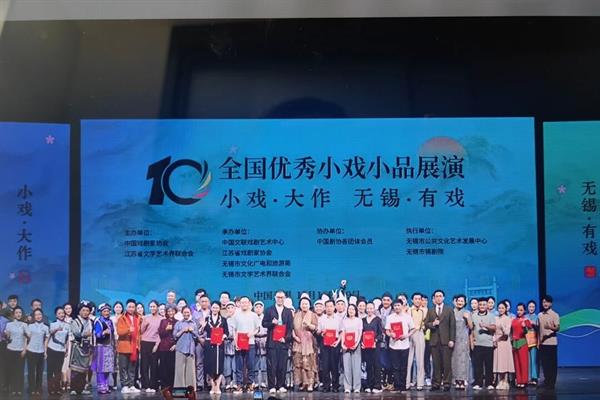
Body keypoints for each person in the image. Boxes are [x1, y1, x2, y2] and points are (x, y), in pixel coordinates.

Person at [262, 290, 294, 393]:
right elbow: (264, 324)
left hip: (283, 342)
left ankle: (281, 385)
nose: (280, 299)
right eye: (278, 297)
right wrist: (272, 323)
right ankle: (271, 386)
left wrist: (286, 338)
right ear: (275, 298)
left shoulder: (288, 312)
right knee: (272, 365)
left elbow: (290, 327)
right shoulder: (269, 310)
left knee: (282, 365)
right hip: (272, 342)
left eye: (282, 297)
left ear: (284, 299)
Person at [424, 290, 455, 391]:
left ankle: (447, 383)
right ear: (434, 298)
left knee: (446, 363)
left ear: (443, 298)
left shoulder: (449, 309)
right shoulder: (430, 310)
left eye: (440, 296)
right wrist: (433, 324)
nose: (438, 298)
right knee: (436, 364)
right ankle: (436, 383)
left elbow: (452, 326)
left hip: (446, 341)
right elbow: (426, 324)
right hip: (434, 341)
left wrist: (452, 339)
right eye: (436, 296)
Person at [230, 296, 261, 393]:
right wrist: (235, 343)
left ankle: (250, 384)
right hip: (239, 343)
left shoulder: (254, 315)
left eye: (246, 302)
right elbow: (234, 330)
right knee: (239, 365)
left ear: (249, 303)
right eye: (242, 302)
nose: (244, 304)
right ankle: (239, 384)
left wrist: (252, 333)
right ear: (239, 304)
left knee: (251, 364)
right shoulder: (236, 315)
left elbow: (258, 328)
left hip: (250, 343)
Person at [385, 298, 415, 392]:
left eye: (398, 305)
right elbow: (387, 331)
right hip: (393, 345)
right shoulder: (390, 317)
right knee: (395, 367)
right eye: (395, 306)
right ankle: (397, 385)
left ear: (402, 306)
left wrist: (407, 335)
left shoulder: (407, 317)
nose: (397, 307)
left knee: (403, 367)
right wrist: (391, 334)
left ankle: (403, 386)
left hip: (404, 345)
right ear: (393, 307)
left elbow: (413, 329)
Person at [292, 297, 318, 392]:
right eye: (302, 303)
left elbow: (315, 327)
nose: (304, 305)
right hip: (298, 341)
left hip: (308, 342)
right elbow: (292, 328)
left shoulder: (313, 315)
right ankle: (303, 383)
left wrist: (309, 326)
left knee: (309, 363)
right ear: (300, 305)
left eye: (306, 304)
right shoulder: (296, 315)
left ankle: (310, 383)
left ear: (309, 305)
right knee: (299, 363)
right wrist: (294, 337)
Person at [204, 301, 229, 394]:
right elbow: (201, 331)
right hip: (209, 344)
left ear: (219, 309)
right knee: (210, 365)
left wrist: (223, 337)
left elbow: (227, 332)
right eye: (213, 307)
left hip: (219, 345)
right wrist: (202, 326)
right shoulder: (207, 319)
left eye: (217, 307)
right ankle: (212, 386)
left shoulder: (223, 320)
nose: (215, 309)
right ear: (211, 308)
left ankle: (217, 386)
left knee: (219, 365)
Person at [470, 298, 496, 390]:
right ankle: (478, 383)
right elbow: (471, 330)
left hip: (488, 344)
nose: (482, 306)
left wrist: (485, 325)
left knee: (489, 365)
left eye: (484, 305)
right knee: (478, 365)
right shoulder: (473, 316)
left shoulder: (491, 316)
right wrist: (472, 342)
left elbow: (494, 327)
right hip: (477, 344)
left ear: (487, 305)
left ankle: (489, 383)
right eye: (480, 304)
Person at [117, 299, 141, 394]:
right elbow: (119, 332)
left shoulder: (138, 318)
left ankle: (131, 385)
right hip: (124, 346)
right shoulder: (121, 318)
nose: (131, 308)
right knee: (123, 368)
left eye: (133, 307)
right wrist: (128, 330)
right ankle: (124, 386)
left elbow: (140, 332)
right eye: (129, 307)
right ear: (126, 307)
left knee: (132, 368)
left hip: (135, 346)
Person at [69, 301, 94, 395]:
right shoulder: (75, 321)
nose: (85, 312)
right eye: (83, 310)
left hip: (87, 347)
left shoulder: (91, 322)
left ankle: (81, 388)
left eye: (87, 310)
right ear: (79, 311)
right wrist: (85, 334)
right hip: (77, 347)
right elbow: (76, 333)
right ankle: (73, 388)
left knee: (84, 369)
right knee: (76, 369)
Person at [538, 294, 560, 391]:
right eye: (543, 302)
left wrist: (550, 327)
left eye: (547, 302)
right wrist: (538, 341)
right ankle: (547, 380)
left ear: (551, 303)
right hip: (542, 344)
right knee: (545, 364)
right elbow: (538, 330)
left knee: (552, 364)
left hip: (551, 343)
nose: (545, 303)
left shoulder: (555, 315)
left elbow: (557, 328)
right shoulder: (540, 315)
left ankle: (552, 382)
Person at [93, 303, 116, 394]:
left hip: (109, 347)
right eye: (104, 311)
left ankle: (106, 385)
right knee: (101, 368)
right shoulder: (98, 321)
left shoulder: (110, 321)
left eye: (108, 311)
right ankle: (101, 386)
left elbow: (112, 334)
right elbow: (96, 334)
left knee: (107, 367)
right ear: (101, 312)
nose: (106, 313)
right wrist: (103, 333)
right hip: (101, 347)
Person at [173, 306, 198, 389]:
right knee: (179, 370)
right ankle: (179, 388)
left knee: (190, 370)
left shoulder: (193, 323)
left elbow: (196, 337)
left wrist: (192, 331)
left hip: (190, 349)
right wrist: (182, 330)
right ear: (182, 313)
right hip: (180, 348)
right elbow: (175, 336)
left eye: (188, 312)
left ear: (190, 313)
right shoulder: (178, 323)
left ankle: (190, 389)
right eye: (184, 312)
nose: (186, 314)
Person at [140, 300, 162, 393]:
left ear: (157, 307)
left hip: (154, 343)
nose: (152, 308)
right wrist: (144, 323)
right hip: (145, 343)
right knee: (144, 365)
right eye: (151, 307)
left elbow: (160, 334)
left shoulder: (161, 319)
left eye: (154, 306)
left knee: (154, 365)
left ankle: (153, 385)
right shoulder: (146, 318)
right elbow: (141, 331)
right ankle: (146, 385)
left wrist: (156, 345)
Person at [25, 308, 49, 395]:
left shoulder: (46, 327)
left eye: (39, 314)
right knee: (31, 371)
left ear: (42, 315)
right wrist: (25, 348)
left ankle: (38, 388)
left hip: (41, 351)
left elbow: (46, 340)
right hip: (31, 350)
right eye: (36, 315)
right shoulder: (30, 326)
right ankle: (31, 388)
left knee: (40, 371)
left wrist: (45, 351)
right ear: (34, 316)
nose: (38, 316)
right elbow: (26, 339)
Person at [5, 307, 28, 395]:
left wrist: (24, 350)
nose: (18, 314)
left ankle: (19, 389)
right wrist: (7, 336)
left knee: (20, 370)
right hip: (10, 349)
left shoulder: (24, 325)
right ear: (14, 314)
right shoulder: (9, 324)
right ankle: (13, 389)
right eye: (17, 312)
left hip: (21, 350)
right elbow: (7, 338)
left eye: (20, 312)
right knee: (12, 370)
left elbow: (26, 339)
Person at [451, 294, 472, 390]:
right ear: (455, 302)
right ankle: (456, 380)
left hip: (463, 339)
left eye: (462, 301)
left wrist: (467, 318)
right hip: (453, 338)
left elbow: (471, 327)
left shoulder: (467, 312)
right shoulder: (451, 312)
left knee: (463, 360)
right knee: (454, 359)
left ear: (465, 302)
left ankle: (462, 380)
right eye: (458, 301)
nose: (460, 302)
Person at [47, 307, 70, 395]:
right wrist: (56, 329)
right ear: (56, 315)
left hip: (61, 350)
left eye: (62, 313)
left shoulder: (67, 325)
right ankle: (50, 388)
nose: (61, 315)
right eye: (59, 313)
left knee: (58, 370)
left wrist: (66, 349)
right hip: (52, 349)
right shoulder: (53, 324)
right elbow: (50, 334)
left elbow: (67, 338)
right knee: (50, 369)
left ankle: (57, 388)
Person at [340, 303, 363, 393]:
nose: (351, 311)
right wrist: (343, 344)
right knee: (346, 366)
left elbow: (360, 333)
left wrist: (356, 344)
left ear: (355, 311)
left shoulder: (359, 320)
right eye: (349, 309)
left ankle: (357, 387)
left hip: (356, 345)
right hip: (346, 345)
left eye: (353, 309)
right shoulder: (344, 321)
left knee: (356, 367)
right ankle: (347, 387)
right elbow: (343, 333)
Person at [362, 302, 382, 393]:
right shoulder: (363, 320)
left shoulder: (378, 320)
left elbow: (380, 334)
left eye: (371, 308)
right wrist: (362, 342)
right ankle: (369, 385)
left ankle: (377, 386)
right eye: (368, 308)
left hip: (375, 346)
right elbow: (361, 333)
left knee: (376, 365)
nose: (369, 310)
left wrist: (375, 341)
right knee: (368, 366)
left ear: (374, 309)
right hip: (366, 347)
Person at [406, 292, 426, 391]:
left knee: (420, 359)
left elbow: (425, 323)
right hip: (409, 334)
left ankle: (420, 383)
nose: (417, 301)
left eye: (419, 299)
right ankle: (407, 383)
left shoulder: (424, 310)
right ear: (412, 300)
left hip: (419, 333)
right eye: (415, 299)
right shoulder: (408, 310)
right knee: (408, 360)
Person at [493, 301, 514, 390]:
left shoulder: (508, 318)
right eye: (499, 308)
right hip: (497, 342)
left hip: (504, 342)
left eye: (502, 308)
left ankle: (505, 381)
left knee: (504, 362)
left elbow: (507, 333)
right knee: (498, 362)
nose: (501, 309)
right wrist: (494, 340)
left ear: (505, 309)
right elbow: (493, 331)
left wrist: (502, 327)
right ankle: (499, 381)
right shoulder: (495, 318)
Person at [192, 293, 210, 391]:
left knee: (209, 362)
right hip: (199, 341)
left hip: (210, 341)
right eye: (202, 301)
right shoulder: (195, 314)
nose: (204, 303)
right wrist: (199, 338)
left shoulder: (212, 313)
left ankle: (209, 382)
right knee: (199, 363)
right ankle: (200, 383)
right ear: (199, 302)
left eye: (206, 301)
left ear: (209, 302)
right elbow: (193, 328)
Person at [512, 303, 532, 388]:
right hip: (515, 343)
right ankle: (519, 380)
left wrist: (524, 327)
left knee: (523, 362)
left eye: (521, 310)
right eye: (518, 310)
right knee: (517, 363)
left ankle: (524, 380)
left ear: (524, 311)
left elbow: (528, 330)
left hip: (522, 342)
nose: (519, 311)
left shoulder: (526, 320)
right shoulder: (514, 320)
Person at [157, 305, 177, 389]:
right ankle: (164, 385)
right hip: (164, 347)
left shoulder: (178, 322)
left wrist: (176, 345)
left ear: (175, 311)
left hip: (173, 347)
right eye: (169, 311)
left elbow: (179, 335)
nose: (170, 313)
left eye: (172, 311)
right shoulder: (163, 321)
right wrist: (166, 329)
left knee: (172, 367)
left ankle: (172, 385)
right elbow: (160, 334)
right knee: (163, 367)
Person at [377, 292, 394, 390]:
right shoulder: (377, 311)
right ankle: (382, 381)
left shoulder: (394, 311)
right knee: (382, 361)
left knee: (391, 361)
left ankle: (390, 381)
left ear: (391, 301)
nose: (386, 302)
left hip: (392, 338)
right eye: (384, 300)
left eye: (388, 300)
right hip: (381, 340)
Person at [253, 301, 268, 389]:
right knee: (255, 362)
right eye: (256, 307)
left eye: (260, 307)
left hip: (264, 339)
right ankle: (255, 382)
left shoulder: (266, 317)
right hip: (254, 339)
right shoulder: (252, 318)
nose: (258, 309)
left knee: (264, 362)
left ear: (263, 308)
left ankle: (263, 381)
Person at [110, 301, 123, 391]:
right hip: (113, 341)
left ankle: (123, 382)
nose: (118, 308)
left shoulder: (124, 317)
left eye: (120, 307)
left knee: (122, 362)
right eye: (116, 307)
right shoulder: (111, 318)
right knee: (113, 362)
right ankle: (114, 382)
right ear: (114, 308)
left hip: (122, 341)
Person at [61, 303, 74, 392]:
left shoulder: (74, 320)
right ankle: (63, 381)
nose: (68, 310)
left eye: (70, 308)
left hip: (71, 342)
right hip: (63, 342)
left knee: (70, 362)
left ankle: (69, 382)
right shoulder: (61, 320)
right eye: (66, 308)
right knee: (63, 362)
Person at [526, 300, 539, 385]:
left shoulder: (537, 317)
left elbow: (539, 330)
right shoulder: (525, 317)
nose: (531, 308)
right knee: (527, 360)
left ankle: (534, 377)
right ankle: (527, 377)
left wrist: (535, 325)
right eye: (530, 306)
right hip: (525, 340)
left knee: (533, 360)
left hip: (534, 340)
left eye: (533, 307)